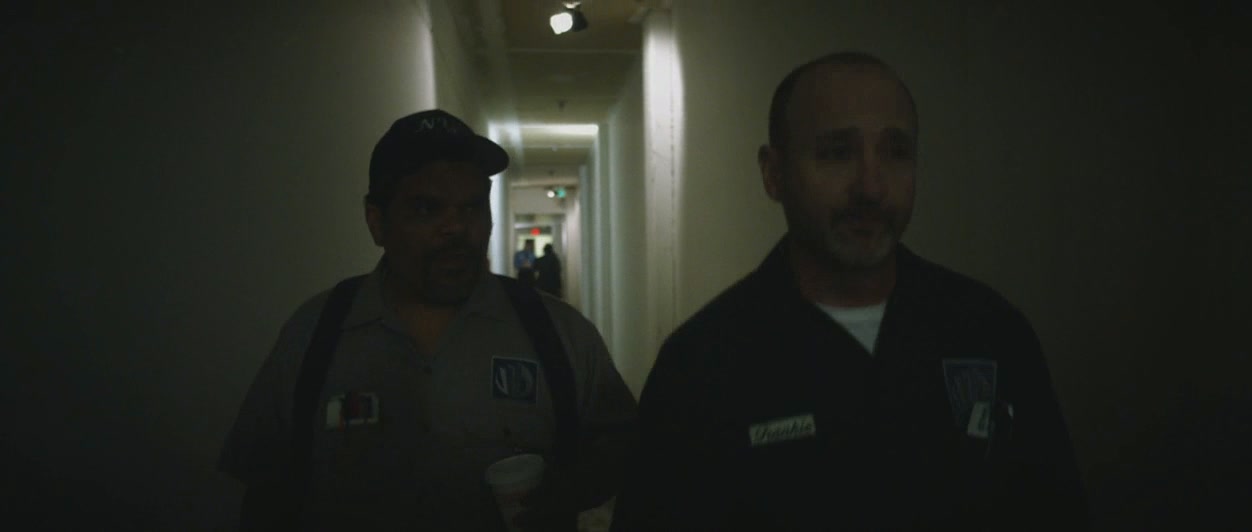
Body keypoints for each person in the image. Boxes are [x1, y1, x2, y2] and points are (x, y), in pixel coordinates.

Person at [611, 52, 1088, 531]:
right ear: (773, 174)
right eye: (837, 153)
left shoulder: (990, 331)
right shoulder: (702, 366)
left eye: (895, 152)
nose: (871, 187)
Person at [218, 109, 637, 531]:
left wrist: (571, 489)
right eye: (426, 208)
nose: (456, 227)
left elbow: (627, 450)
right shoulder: (316, 335)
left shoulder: (558, 333)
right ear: (377, 222)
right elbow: (264, 493)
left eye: (472, 207)